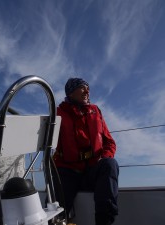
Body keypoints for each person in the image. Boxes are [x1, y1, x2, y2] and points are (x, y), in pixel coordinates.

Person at [52, 78, 119, 225]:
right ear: (70, 92)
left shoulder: (95, 111)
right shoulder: (57, 114)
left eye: (88, 88)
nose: (87, 91)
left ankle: (104, 221)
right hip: (67, 171)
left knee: (110, 164)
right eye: (82, 88)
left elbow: (109, 142)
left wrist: (104, 157)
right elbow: (44, 139)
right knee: (54, 210)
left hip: (92, 171)